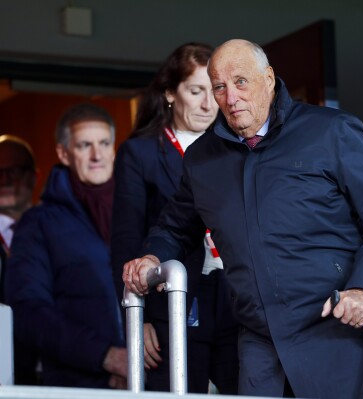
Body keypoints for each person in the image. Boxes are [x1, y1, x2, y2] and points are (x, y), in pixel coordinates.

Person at [123, 39, 363, 399]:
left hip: (340, 329)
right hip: (261, 341)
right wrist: (152, 257)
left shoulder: (331, 131)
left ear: (269, 79)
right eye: (219, 87)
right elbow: (174, 229)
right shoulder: (202, 160)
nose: (230, 98)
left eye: (241, 82)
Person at [111, 42, 238, 394]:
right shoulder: (140, 152)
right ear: (170, 93)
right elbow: (126, 238)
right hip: (171, 300)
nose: (207, 103)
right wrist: (138, 317)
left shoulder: (233, 149)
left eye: (213, 91)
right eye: (194, 91)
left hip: (232, 297)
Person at [5, 103, 127, 389]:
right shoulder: (39, 224)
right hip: (77, 385)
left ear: (113, 149)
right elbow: (28, 313)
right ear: (64, 153)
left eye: (104, 143)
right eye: (85, 145)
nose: (97, 155)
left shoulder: (139, 212)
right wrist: (105, 357)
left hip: (150, 382)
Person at [0, 134, 40, 385]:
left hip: (54, 373)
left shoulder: (58, 234)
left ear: (33, 176)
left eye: (13, 171)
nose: (4, 181)